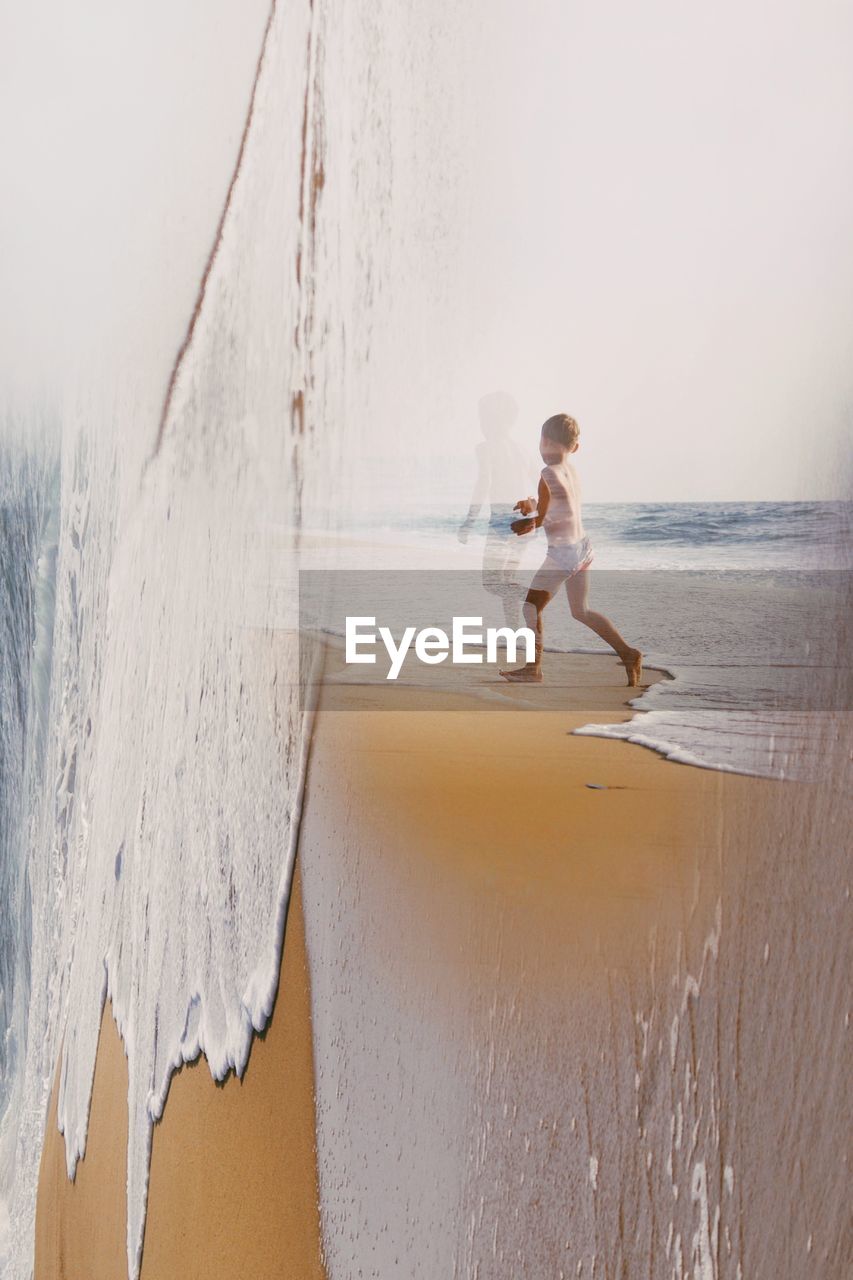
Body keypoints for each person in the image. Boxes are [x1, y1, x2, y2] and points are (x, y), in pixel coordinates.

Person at [499, 413, 643, 686]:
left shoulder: (546, 473)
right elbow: (558, 505)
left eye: (543, 442)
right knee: (581, 611)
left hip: (562, 555)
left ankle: (533, 669)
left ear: (544, 441)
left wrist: (527, 523)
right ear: (575, 447)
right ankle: (628, 653)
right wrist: (532, 506)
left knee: (531, 607)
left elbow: (543, 517)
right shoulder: (571, 471)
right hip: (583, 549)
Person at [458, 392, 537, 628]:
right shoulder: (522, 449)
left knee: (491, 583)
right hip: (527, 517)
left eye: (484, 419)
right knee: (507, 582)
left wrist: (469, 522)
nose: (482, 425)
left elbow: (484, 483)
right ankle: (514, 632)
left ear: (497, 420)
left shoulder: (485, 448)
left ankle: (536, 597)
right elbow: (539, 481)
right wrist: (542, 515)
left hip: (504, 519)